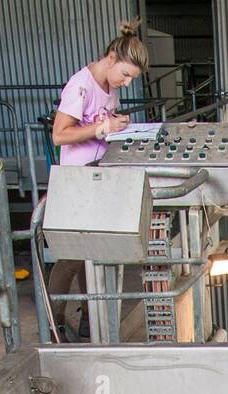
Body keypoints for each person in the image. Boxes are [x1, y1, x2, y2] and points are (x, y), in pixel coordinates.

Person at [48, 20, 149, 336]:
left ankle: (93, 324)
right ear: (111, 58)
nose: (126, 82)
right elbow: (59, 135)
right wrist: (101, 129)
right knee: (70, 259)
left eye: (131, 78)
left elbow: (101, 127)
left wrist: (116, 123)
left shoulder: (108, 87)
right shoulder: (81, 85)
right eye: (125, 75)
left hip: (99, 175)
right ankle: (55, 323)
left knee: (95, 252)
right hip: (76, 179)